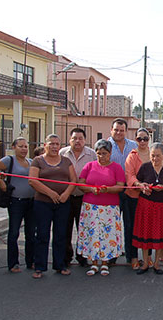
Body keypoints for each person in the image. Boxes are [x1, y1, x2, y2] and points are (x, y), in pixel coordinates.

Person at [29, 134, 77, 279]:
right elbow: (33, 180)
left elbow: (73, 180)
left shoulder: (66, 161)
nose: (54, 147)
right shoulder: (38, 161)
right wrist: (51, 193)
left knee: (60, 234)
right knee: (42, 234)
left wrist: (65, 194)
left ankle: (60, 265)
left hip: (62, 203)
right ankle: (39, 267)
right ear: (45, 145)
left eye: (57, 144)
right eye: (51, 144)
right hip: (43, 203)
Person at [76, 140, 126, 276]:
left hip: (109, 208)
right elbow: (80, 183)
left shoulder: (116, 168)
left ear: (110, 153)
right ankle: (93, 263)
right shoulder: (89, 166)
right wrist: (91, 189)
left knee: (106, 235)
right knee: (92, 234)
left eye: (104, 153)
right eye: (99, 153)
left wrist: (108, 189)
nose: (101, 156)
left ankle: (105, 263)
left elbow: (120, 186)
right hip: (90, 207)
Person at [0, 137, 35, 273]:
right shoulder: (9, 160)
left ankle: (31, 261)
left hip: (31, 202)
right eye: (21, 146)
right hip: (16, 201)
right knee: (14, 233)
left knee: (30, 233)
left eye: (26, 146)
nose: (24, 149)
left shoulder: (31, 162)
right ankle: (13, 263)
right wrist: (0, 181)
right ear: (14, 147)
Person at [132, 143, 163, 275]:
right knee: (145, 234)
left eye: (158, 156)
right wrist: (142, 186)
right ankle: (145, 263)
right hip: (146, 204)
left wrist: (162, 187)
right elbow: (137, 182)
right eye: (152, 156)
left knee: (159, 234)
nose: (155, 159)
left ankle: (157, 264)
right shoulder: (145, 166)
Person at [59, 128, 96, 267]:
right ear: (70, 140)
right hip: (66, 196)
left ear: (85, 140)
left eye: (80, 138)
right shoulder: (62, 153)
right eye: (74, 138)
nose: (77, 141)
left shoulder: (91, 154)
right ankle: (66, 257)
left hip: (84, 197)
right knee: (65, 228)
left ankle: (82, 257)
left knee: (83, 229)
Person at [107, 118, 138, 265]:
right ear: (111, 130)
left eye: (122, 130)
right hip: (112, 190)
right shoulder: (104, 146)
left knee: (130, 224)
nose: (119, 132)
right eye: (116, 130)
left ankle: (131, 256)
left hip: (131, 189)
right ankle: (110, 257)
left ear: (126, 131)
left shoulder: (133, 146)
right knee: (111, 224)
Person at [124, 127, 151, 269]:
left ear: (149, 140)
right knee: (132, 227)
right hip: (134, 196)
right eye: (139, 138)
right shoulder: (132, 155)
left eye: (145, 138)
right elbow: (129, 175)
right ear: (136, 140)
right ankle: (133, 257)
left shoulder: (153, 154)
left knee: (149, 228)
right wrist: (139, 185)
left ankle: (148, 257)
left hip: (150, 196)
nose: (142, 141)